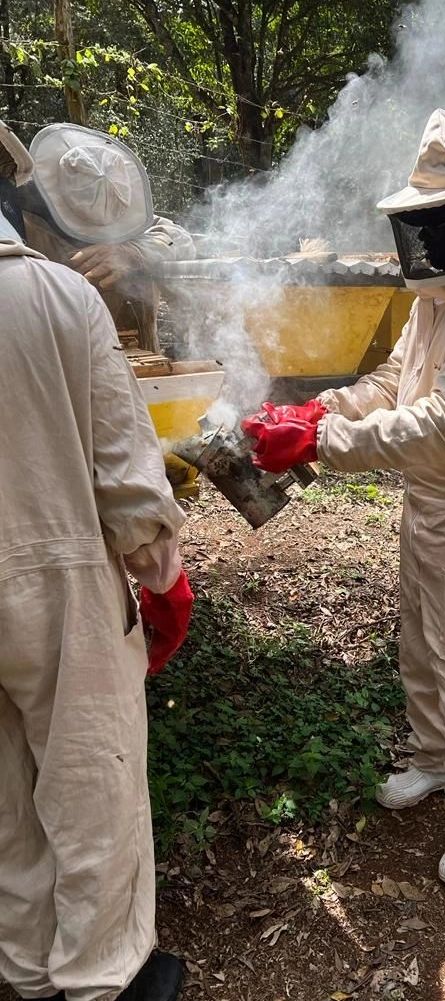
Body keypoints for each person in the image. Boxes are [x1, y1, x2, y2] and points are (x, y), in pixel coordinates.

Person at [243, 109, 445, 886]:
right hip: (428, 496)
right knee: (419, 637)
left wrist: (319, 444)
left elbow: (443, 425)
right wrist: (324, 409)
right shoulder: (436, 300)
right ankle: (434, 760)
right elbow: (395, 384)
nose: (436, 239)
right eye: (430, 223)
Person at [0, 134, 193, 1001]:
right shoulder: (54, 294)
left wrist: (148, 270)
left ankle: (24, 972)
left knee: (5, 800)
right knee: (92, 785)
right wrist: (159, 573)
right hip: (61, 581)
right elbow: (129, 483)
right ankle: (100, 978)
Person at [0, 119, 194, 351]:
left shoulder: (125, 216)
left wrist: (133, 252)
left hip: (143, 369)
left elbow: (179, 238)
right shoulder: (17, 227)